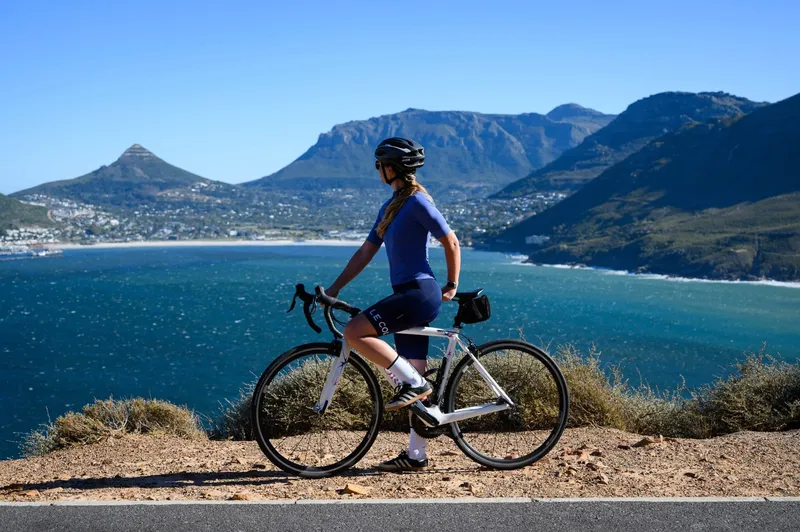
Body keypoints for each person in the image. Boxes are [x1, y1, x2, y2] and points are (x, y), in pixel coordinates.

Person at [325, 137, 461, 472]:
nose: (377, 171)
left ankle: (414, 383)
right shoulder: (392, 207)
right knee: (415, 379)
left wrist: (452, 284)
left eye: (379, 165)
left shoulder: (417, 202)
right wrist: (334, 288)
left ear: (391, 168)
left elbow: (451, 241)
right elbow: (366, 252)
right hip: (409, 293)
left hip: (418, 293)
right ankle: (416, 455)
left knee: (354, 331)